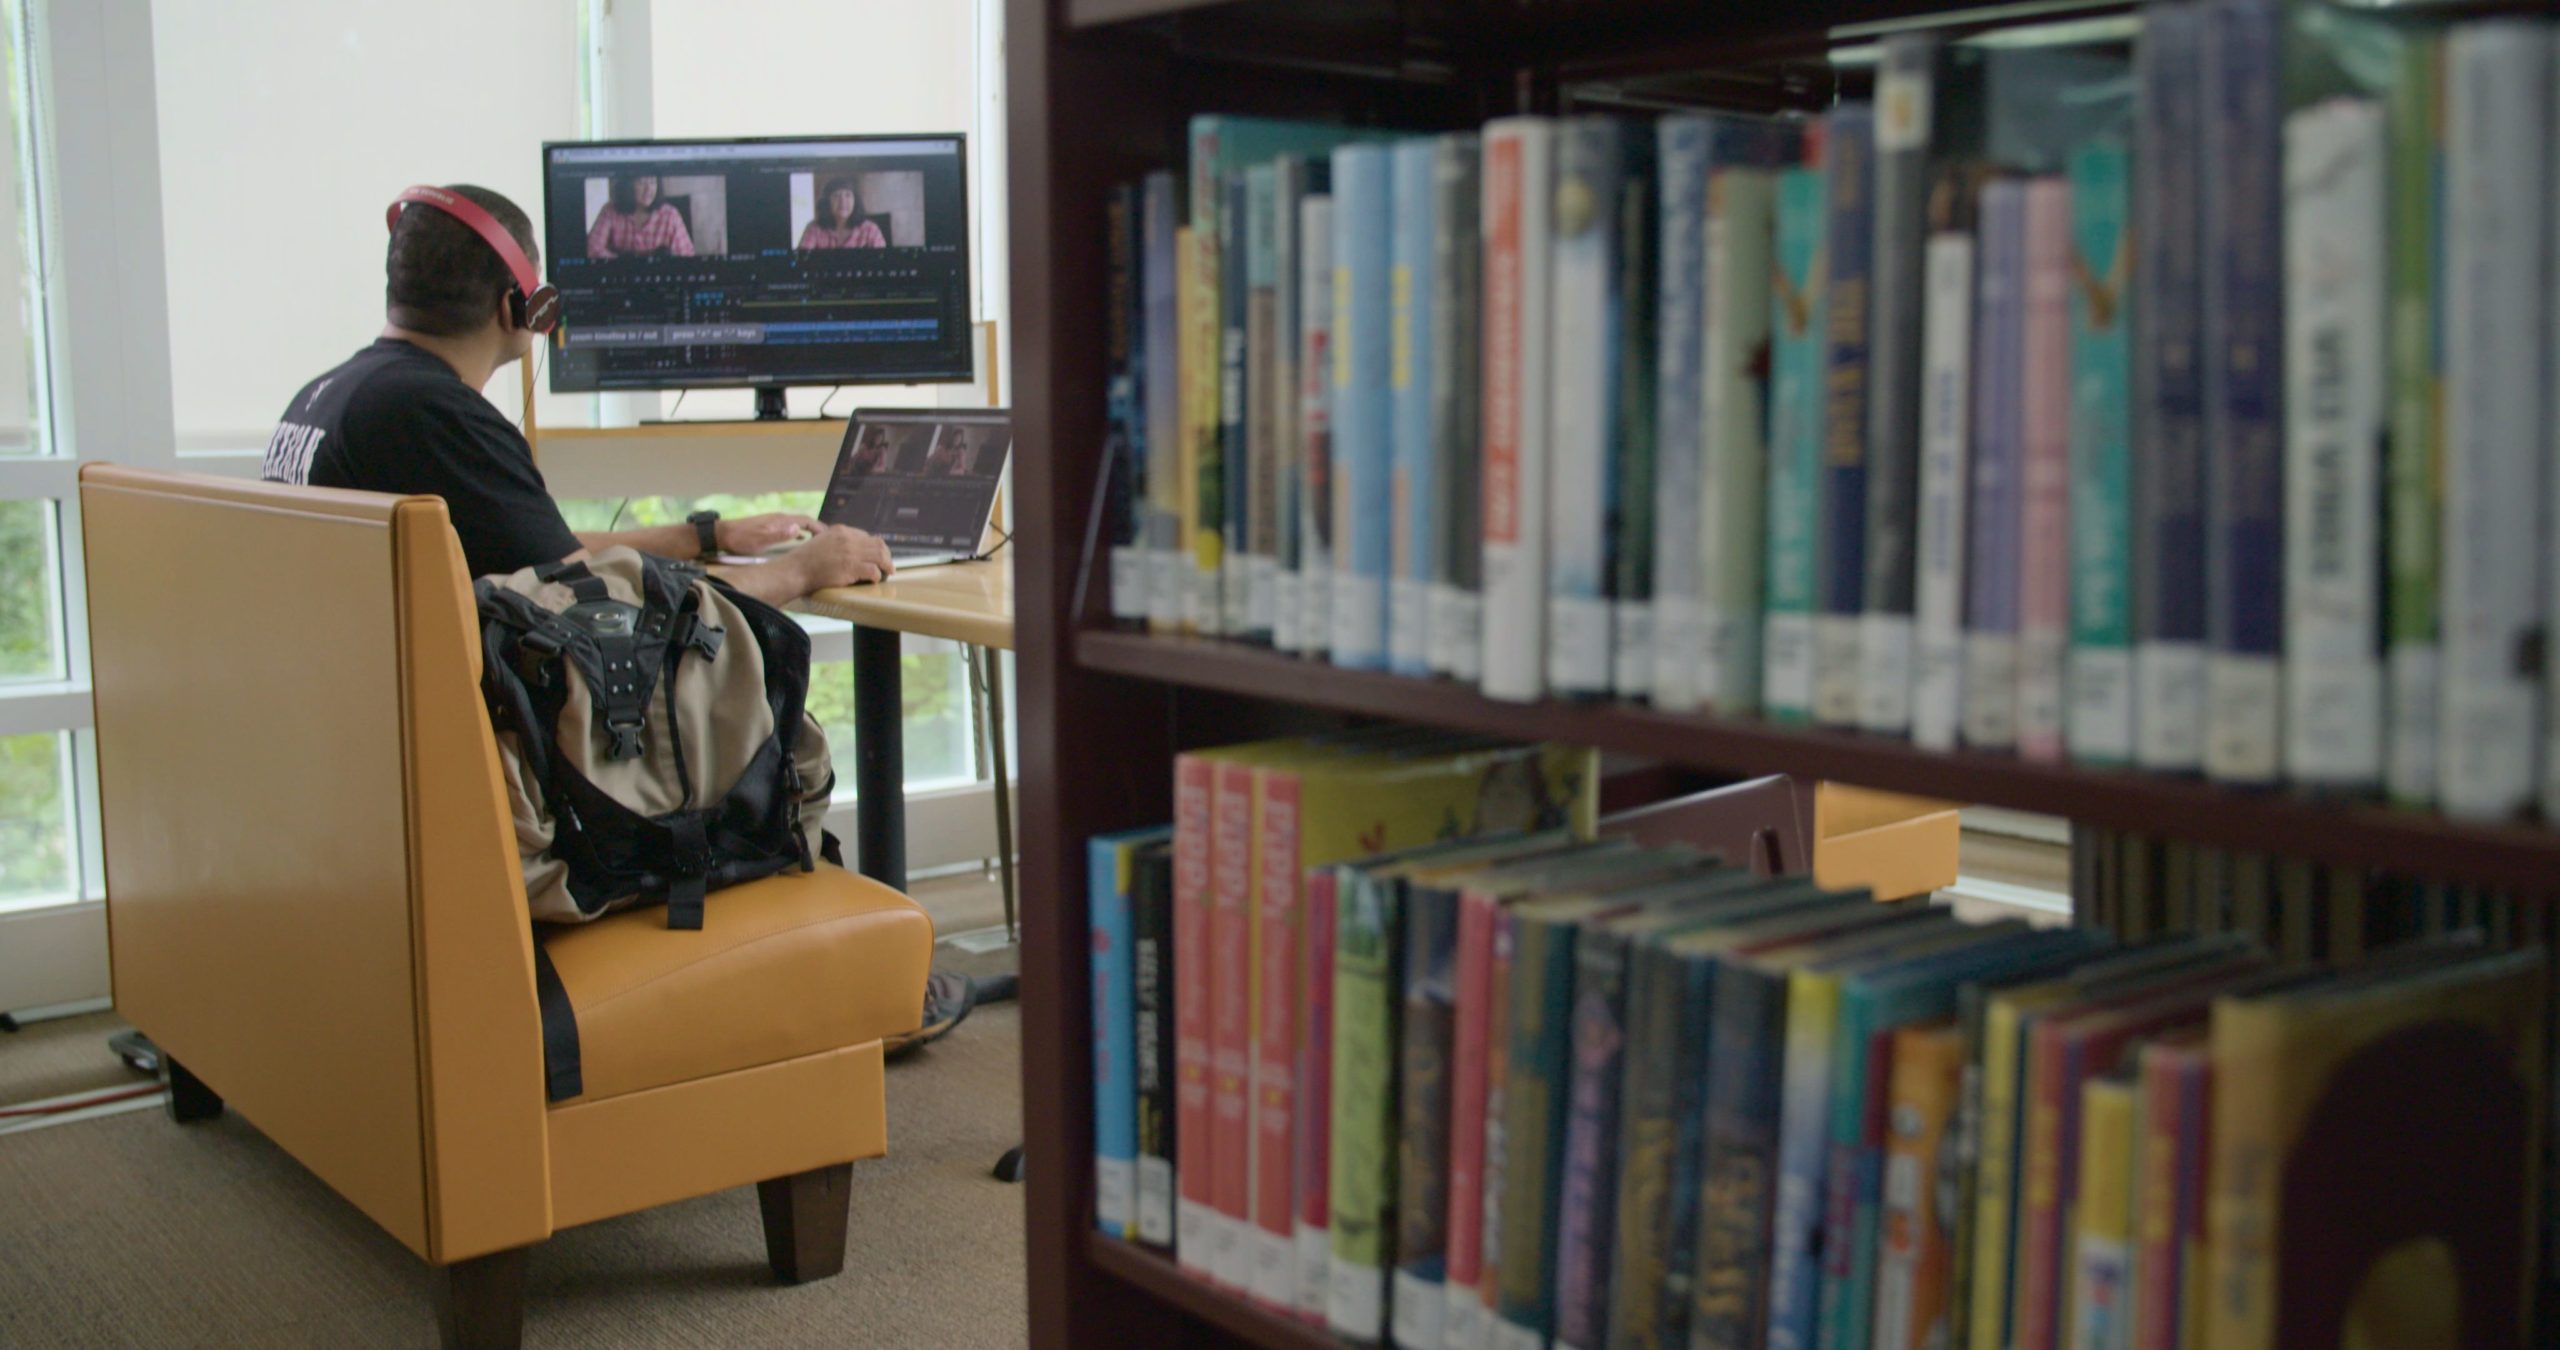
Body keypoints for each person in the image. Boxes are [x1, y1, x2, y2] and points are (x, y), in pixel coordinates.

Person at [262, 183, 974, 1051]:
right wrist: (800, 570)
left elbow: (547, 550)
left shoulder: (339, 397)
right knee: (745, 699)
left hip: (372, 775)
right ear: (518, 307)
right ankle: (859, 980)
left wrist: (702, 534)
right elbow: (604, 630)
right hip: (494, 795)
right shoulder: (435, 413)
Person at [585, 173, 695, 259]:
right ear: (628, 185)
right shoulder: (610, 210)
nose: (649, 189)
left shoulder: (670, 214)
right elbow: (592, 248)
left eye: (653, 182)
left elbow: (687, 255)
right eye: (642, 182)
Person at [796, 176, 887, 250]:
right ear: (827, 202)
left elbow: (882, 261)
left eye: (848, 195)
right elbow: (801, 261)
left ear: (855, 201)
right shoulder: (814, 228)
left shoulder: (870, 229)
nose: (843, 201)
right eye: (836, 196)